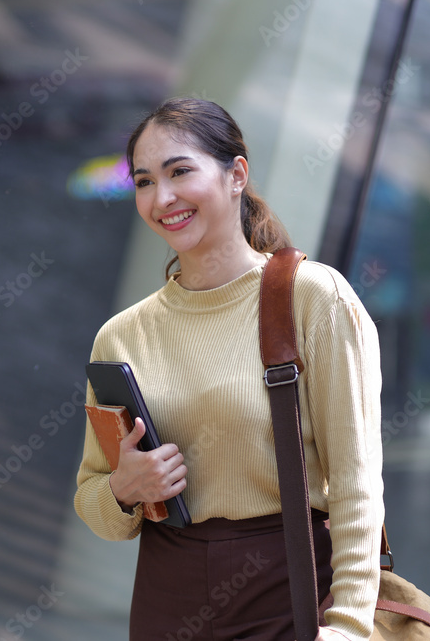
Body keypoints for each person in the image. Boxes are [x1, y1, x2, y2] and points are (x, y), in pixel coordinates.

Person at [74, 97, 384, 641]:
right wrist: (124, 489)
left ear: (236, 174)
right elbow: (93, 501)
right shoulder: (120, 337)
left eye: (179, 172)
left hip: (291, 594)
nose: (162, 197)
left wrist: (351, 627)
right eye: (144, 182)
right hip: (165, 600)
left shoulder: (313, 298)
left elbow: (356, 483)